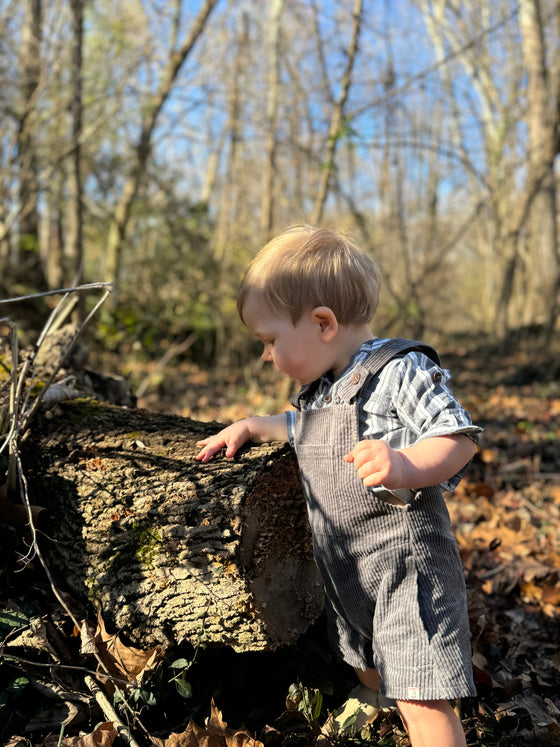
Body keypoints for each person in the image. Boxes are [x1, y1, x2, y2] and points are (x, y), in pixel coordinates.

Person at [196, 225, 481, 747]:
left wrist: (407, 466)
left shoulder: (398, 370)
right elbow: (306, 428)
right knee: (368, 665)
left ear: (322, 323)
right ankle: (385, 712)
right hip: (347, 568)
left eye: (271, 340)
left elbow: (457, 436)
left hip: (404, 566)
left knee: (422, 696)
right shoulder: (321, 389)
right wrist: (256, 425)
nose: (266, 356)